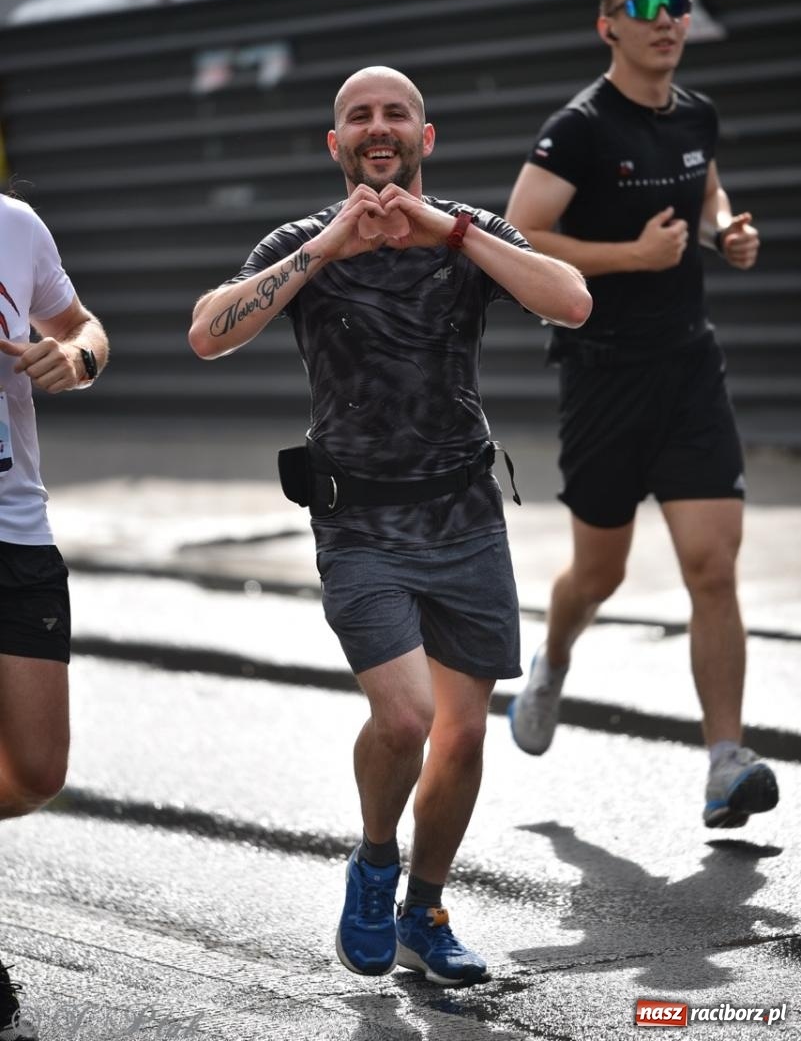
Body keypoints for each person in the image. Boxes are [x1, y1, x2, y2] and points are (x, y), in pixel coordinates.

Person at [189, 65, 591, 985]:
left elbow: (570, 300)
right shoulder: (303, 241)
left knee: (462, 733)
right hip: (358, 522)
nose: (379, 127)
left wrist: (447, 229)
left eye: (395, 114)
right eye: (358, 117)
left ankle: (425, 908)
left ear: (424, 137)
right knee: (406, 716)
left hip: (464, 515)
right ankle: (375, 864)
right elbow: (209, 333)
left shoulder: (467, 232)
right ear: (335, 144)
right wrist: (327, 248)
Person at [504, 0, 779, 829]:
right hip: (604, 374)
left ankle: (724, 763)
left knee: (712, 567)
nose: (667, 20)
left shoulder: (695, 112)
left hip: (689, 370)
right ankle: (551, 660)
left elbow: (702, 191)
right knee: (600, 571)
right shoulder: (579, 129)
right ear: (608, 27)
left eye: (678, 7)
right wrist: (632, 257)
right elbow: (521, 234)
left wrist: (721, 231)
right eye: (646, 7)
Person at [0, 192, 109, 1039]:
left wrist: (75, 359)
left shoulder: (15, 223)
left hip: (16, 528)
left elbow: (81, 325)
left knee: (36, 772)